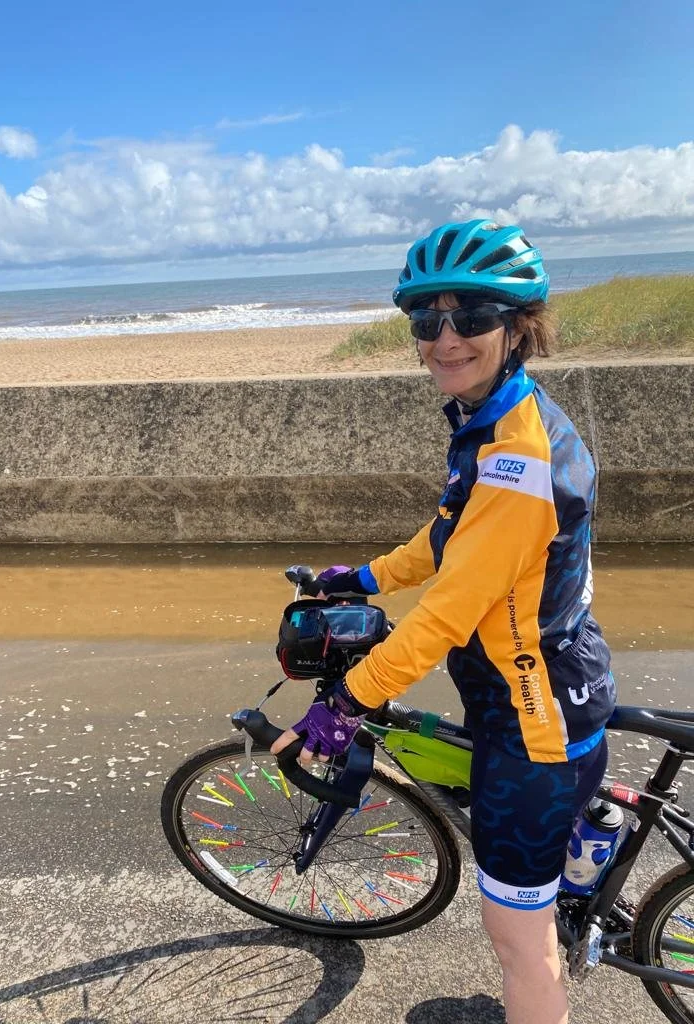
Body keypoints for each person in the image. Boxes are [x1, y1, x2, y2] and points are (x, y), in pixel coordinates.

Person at [272, 219, 616, 1024]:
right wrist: (361, 576)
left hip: (532, 728)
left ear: (518, 325)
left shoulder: (518, 458)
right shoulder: (498, 420)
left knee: (515, 941)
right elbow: (447, 538)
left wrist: (345, 702)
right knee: (536, 887)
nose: (444, 340)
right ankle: (583, 841)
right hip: (562, 684)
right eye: (427, 322)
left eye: (470, 319)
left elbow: (447, 614)